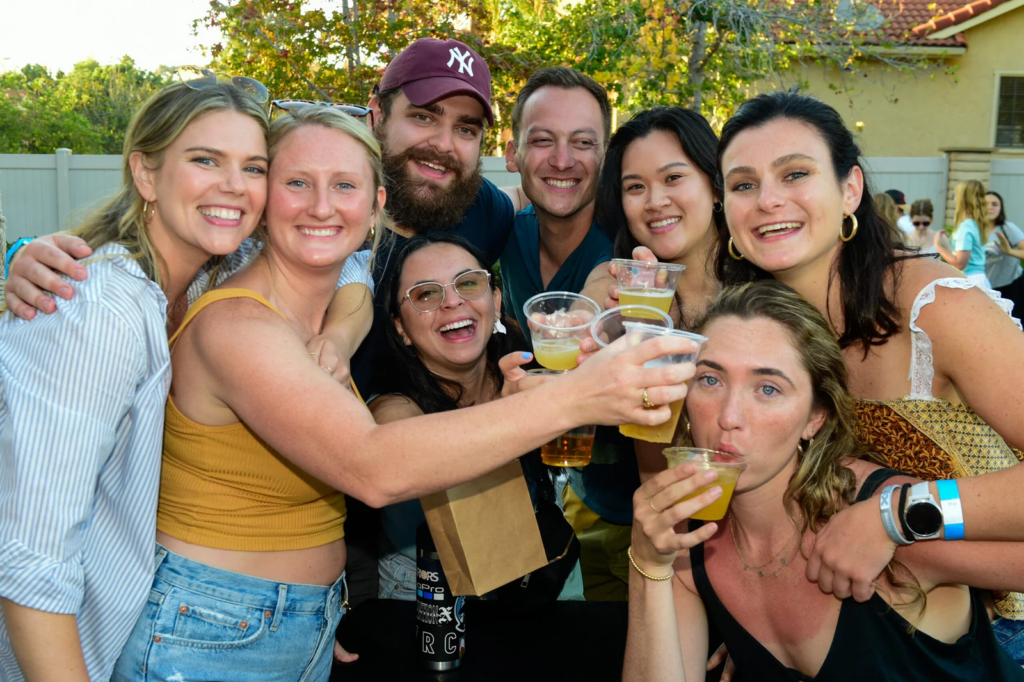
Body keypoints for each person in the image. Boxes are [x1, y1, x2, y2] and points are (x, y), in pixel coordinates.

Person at [108, 104, 697, 680]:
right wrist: (576, 397)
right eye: (297, 182)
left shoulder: (333, 298)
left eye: (344, 185)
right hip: (214, 625)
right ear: (264, 199)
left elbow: (357, 281)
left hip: (298, 616)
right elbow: (371, 465)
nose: (321, 205)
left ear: (376, 204)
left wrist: (319, 610)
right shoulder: (238, 325)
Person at [714, 91, 1024, 639]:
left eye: (794, 174)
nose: (766, 200)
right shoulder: (759, 329)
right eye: (743, 184)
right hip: (876, 625)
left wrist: (900, 517)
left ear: (850, 188)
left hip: (1004, 635)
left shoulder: (934, 305)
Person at [0, 79, 271, 681]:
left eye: (253, 167)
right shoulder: (99, 309)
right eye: (206, 159)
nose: (234, 185)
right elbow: (30, 558)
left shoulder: (197, 288)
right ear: (145, 175)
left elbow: (339, 226)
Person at [624, 280, 1024, 681]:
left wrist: (900, 519)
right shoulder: (687, 538)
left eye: (767, 388)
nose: (729, 415)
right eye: (710, 379)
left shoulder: (876, 522)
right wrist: (646, 564)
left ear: (816, 418)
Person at [371, 231, 583, 601]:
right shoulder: (394, 408)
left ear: (496, 300)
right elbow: (407, 457)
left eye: (468, 283)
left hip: (548, 584)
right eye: (426, 294)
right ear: (401, 327)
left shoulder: (531, 370)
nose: (452, 301)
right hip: (431, 609)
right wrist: (515, 416)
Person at [934, 180, 992, 288]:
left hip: (970, 282)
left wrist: (938, 246)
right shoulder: (976, 224)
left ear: (962, 199)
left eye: (955, 195)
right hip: (979, 279)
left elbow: (959, 264)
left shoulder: (966, 227)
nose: (954, 199)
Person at [985, 190, 1024, 313]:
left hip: (1011, 286)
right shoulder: (973, 230)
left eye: (994, 204)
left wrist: (1010, 251)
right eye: (985, 204)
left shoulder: (1008, 228)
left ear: (1001, 208)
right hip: (986, 289)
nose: (989, 207)